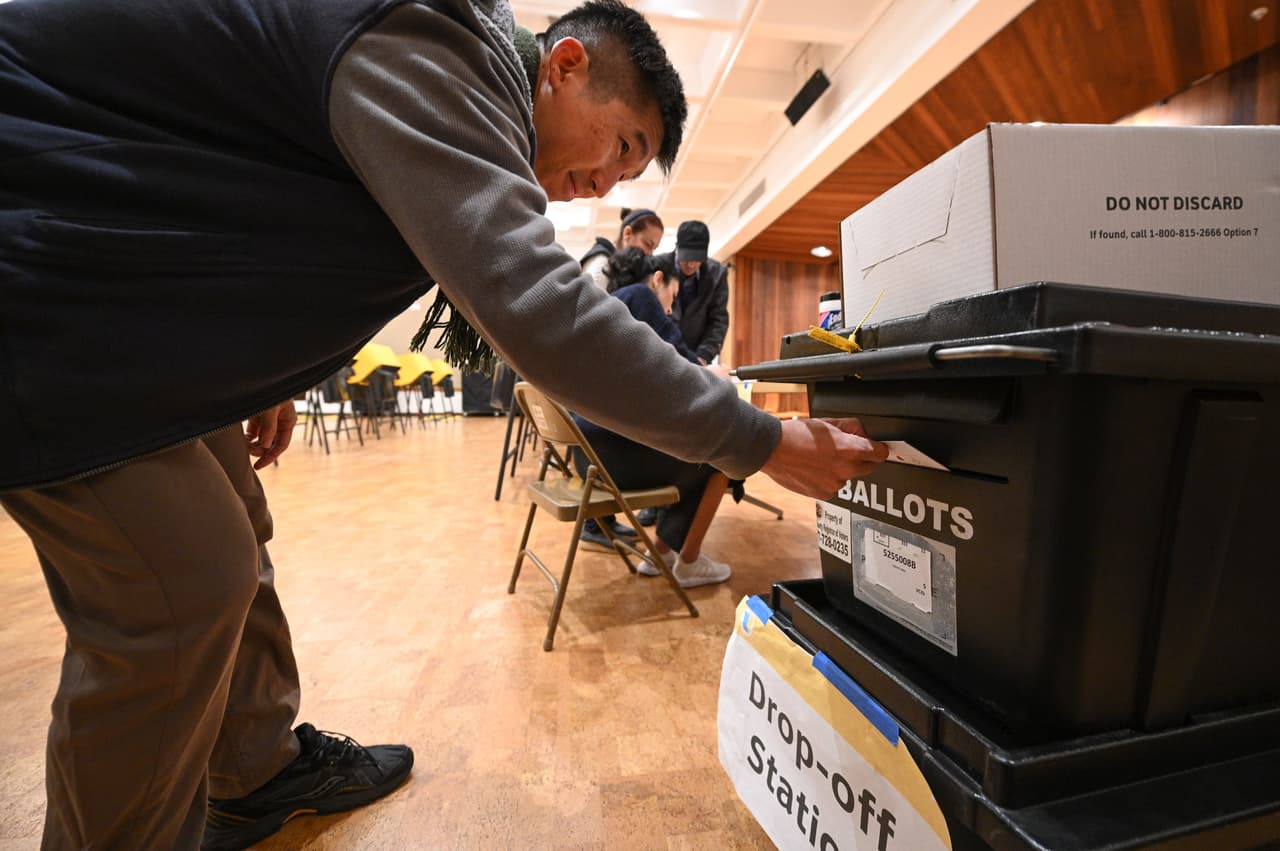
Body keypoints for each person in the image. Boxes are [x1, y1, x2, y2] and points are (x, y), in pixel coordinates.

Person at [0, 1, 888, 850]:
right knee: (183, 585)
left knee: (237, 522)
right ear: (564, 67)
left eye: (631, 172)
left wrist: (258, 364)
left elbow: (233, 184)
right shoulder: (433, 38)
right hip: (46, 261)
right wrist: (758, 439)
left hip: (120, 270)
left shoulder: (442, 73)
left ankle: (254, 770)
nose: (610, 181)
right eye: (623, 144)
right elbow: (535, 305)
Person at [574, 248, 735, 585]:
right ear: (658, 280)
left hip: (586, 457)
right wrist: (714, 371)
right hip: (609, 460)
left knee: (693, 451)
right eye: (671, 298)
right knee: (723, 456)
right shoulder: (639, 296)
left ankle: (660, 552)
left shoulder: (609, 306)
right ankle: (689, 562)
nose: (669, 309)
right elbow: (679, 356)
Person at [653, 220, 730, 365]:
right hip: (660, 354)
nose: (691, 264)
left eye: (697, 259)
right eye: (687, 258)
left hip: (696, 356)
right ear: (677, 248)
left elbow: (718, 320)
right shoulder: (656, 266)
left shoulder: (717, 274)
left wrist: (704, 356)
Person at [578, 207, 665, 290]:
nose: (649, 253)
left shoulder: (625, 268)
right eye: (648, 244)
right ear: (627, 233)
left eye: (654, 249)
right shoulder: (601, 262)